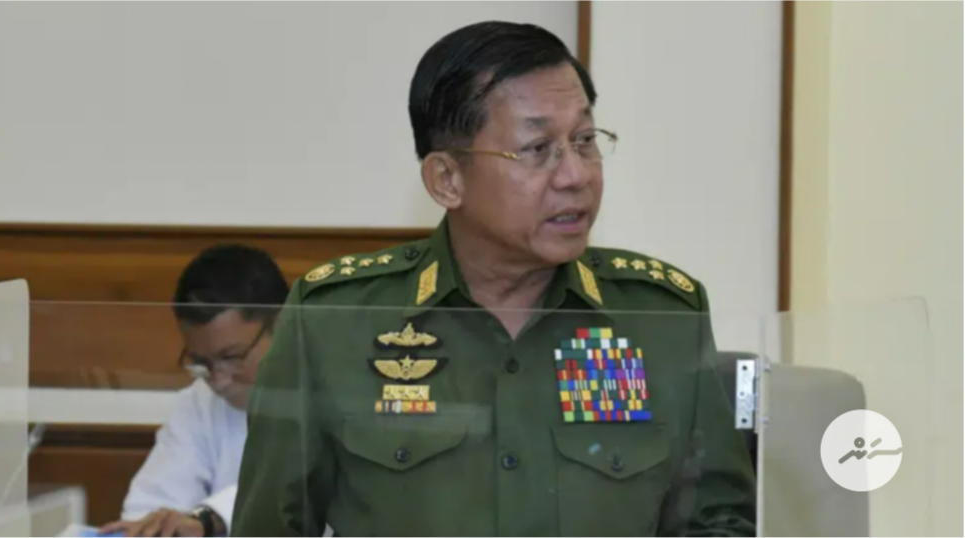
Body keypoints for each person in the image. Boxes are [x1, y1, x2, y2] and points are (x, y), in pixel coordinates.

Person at [231, 21, 756, 538]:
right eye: (537, 148)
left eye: (584, 140)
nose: (576, 175)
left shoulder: (662, 318)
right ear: (447, 179)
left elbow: (720, 523)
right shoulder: (333, 321)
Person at [99, 244, 289, 538]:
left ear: (284, 326)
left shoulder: (343, 392)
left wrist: (208, 518)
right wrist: (156, 526)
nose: (218, 380)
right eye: (201, 362)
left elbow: (300, 485)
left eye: (231, 357)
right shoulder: (199, 402)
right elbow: (150, 507)